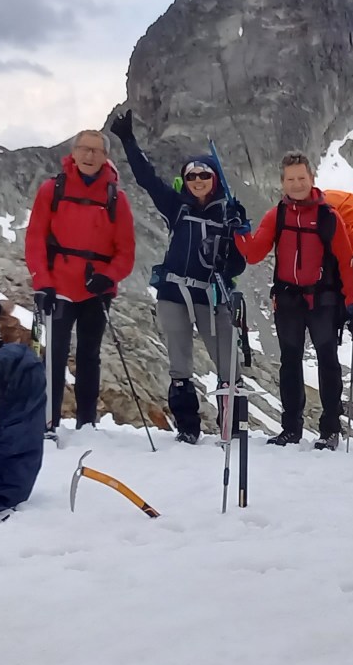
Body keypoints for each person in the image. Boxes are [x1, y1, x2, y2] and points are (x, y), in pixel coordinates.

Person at [109, 110, 249, 443]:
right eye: (192, 176)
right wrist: (128, 140)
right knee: (179, 364)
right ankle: (188, 428)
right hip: (173, 293)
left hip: (212, 296)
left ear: (214, 179)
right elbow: (147, 179)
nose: (198, 181)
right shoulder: (177, 207)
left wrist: (237, 235)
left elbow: (239, 266)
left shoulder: (228, 214)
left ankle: (233, 427)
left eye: (204, 175)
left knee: (227, 363)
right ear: (185, 181)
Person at [235, 151, 353, 450]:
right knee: (290, 364)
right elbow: (253, 254)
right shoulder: (276, 215)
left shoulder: (328, 217)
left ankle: (330, 430)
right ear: (282, 182)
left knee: (327, 362)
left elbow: (346, 262)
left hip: (323, 301)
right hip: (289, 300)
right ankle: (291, 429)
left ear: (312, 179)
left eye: (301, 178)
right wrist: (240, 231)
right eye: (291, 179)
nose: (296, 184)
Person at [24, 129, 136, 430]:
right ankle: (48, 420)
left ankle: (86, 424)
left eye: (96, 151)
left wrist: (107, 277)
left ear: (105, 157)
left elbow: (126, 253)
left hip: (96, 291)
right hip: (58, 287)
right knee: (55, 356)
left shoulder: (116, 198)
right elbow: (35, 239)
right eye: (84, 149)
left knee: (89, 356)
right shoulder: (52, 189)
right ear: (73, 153)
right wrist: (42, 282)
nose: (89, 156)